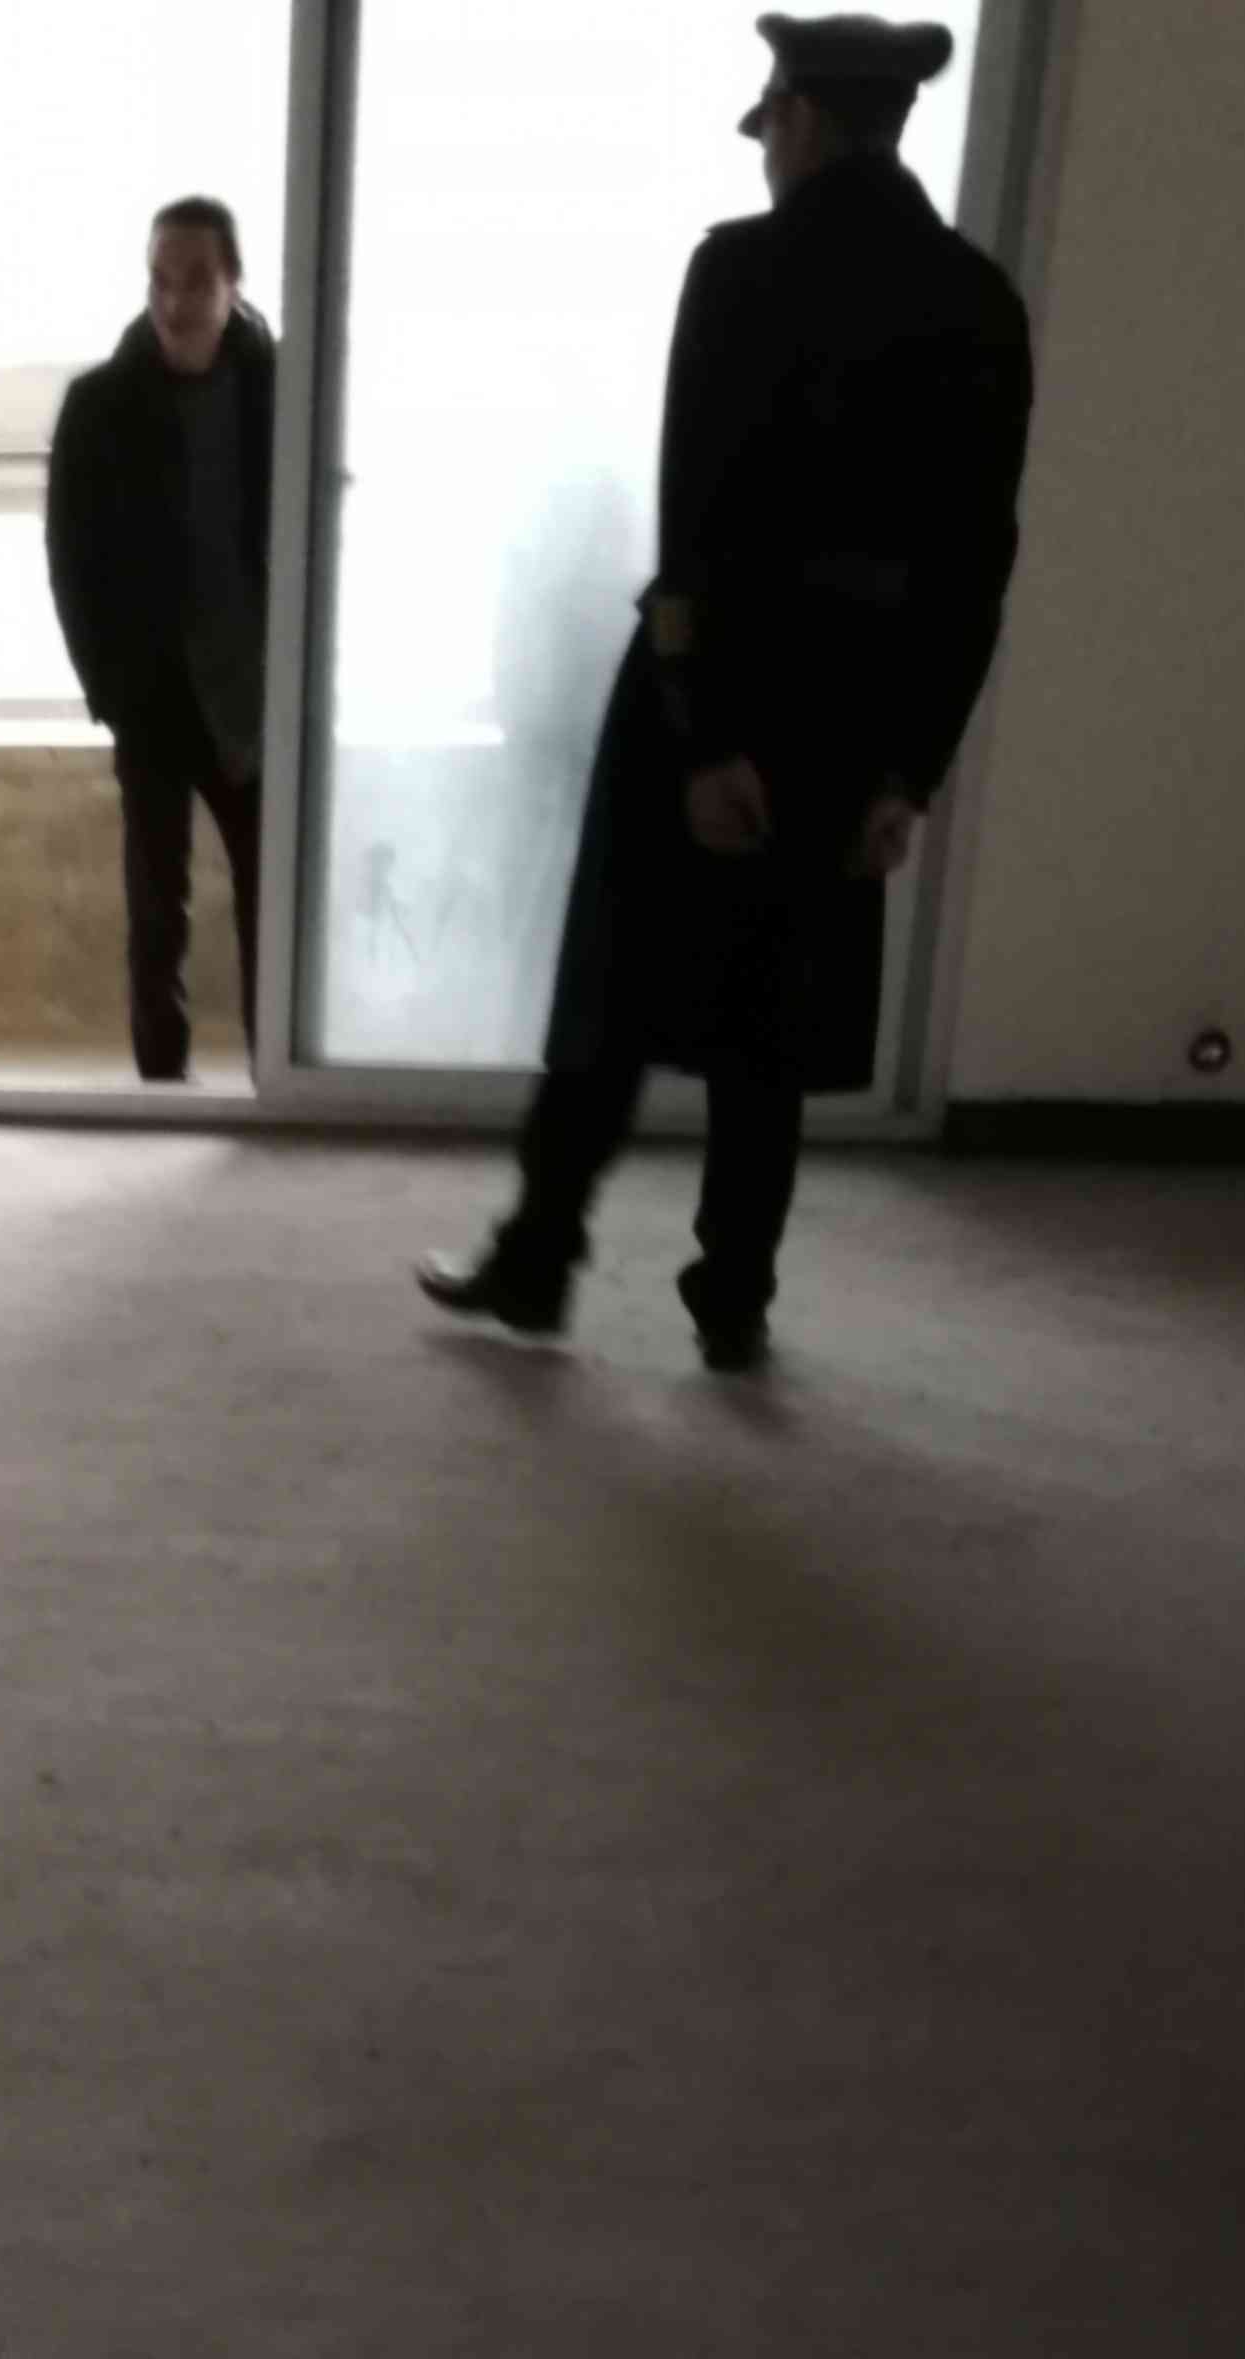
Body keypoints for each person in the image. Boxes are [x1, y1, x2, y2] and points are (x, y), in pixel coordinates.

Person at [420, 18, 1033, 1368]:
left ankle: (537, 1261)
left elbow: (692, 522)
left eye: (769, 117)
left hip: (714, 695)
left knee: (608, 1002)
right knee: (776, 1016)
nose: (762, 145)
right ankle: (734, 1298)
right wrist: (909, 771)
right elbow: (975, 570)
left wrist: (703, 737)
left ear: (801, 117)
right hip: (857, 718)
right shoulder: (982, 303)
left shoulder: (740, 269)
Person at [44, 200, 279, 1084]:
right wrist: (107, 690)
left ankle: (277, 1083)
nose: (175, 301)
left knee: (271, 905)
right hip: (150, 696)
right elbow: (69, 561)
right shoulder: (99, 406)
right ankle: (161, 1086)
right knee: (156, 911)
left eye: (196, 280)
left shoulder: (282, 395)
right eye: (160, 279)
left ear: (234, 282)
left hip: (256, 694)